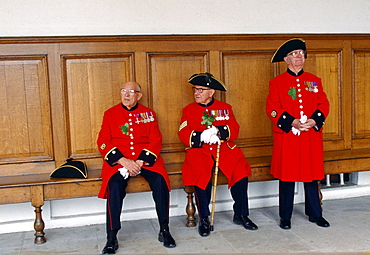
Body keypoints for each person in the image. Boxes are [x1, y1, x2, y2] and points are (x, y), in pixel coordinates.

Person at [97, 81, 176, 254]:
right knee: (115, 186)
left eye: (131, 92)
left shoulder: (149, 114)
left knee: (160, 181)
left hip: (144, 160)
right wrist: (123, 161)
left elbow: (155, 140)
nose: (126, 95)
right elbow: (103, 141)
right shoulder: (110, 114)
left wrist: (140, 162)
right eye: (123, 91)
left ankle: (164, 230)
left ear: (138, 96)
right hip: (119, 162)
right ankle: (112, 236)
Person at [178, 72, 258, 237]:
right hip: (200, 151)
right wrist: (200, 136)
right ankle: (205, 218)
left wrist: (219, 131)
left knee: (240, 170)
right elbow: (182, 132)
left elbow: (234, 129)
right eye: (195, 89)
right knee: (200, 174)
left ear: (211, 92)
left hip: (223, 149)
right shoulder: (188, 110)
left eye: (201, 90)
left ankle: (241, 214)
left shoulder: (225, 108)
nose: (196, 93)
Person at [266, 38, 330, 230]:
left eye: (301, 53)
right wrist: (291, 121)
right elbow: (272, 108)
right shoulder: (277, 83)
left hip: (310, 135)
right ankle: (285, 216)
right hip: (288, 137)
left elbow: (323, 104)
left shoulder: (314, 80)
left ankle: (315, 214)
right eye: (294, 54)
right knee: (287, 176)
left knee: (312, 175)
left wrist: (315, 120)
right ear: (286, 59)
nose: (299, 57)